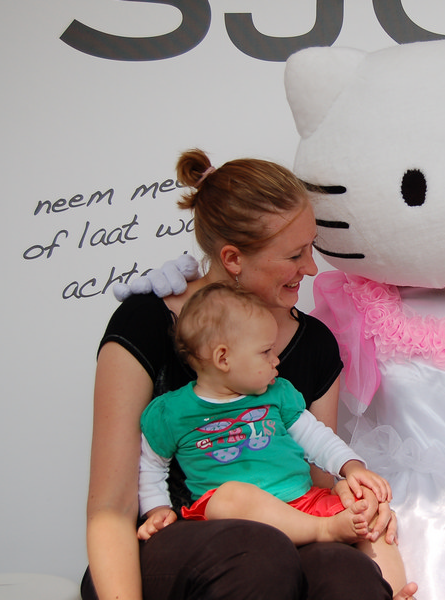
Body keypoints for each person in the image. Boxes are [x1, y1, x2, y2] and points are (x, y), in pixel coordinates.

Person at [83, 148, 417, 600]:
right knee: (257, 552)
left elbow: (315, 477)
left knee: (347, 572)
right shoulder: (145, 321)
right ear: (233, 258)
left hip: (292, 527)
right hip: (180, 543)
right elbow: (111, 507)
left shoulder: (314, 344)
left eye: (311, 247)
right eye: (295, 254)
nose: (311, 268)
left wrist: (356, 504)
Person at [137, 282, 414, 598]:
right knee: (230, 495)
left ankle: (393, 592)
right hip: (238, 520)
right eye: (265, 352)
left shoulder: (277, 395)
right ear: (223, 358)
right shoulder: (173, 412)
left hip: (301, 501)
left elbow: (316, 437)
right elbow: (151, 465)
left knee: (368, 511)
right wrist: (157, 509)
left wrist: (351, 467)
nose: (276, 360)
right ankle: (323, 531)